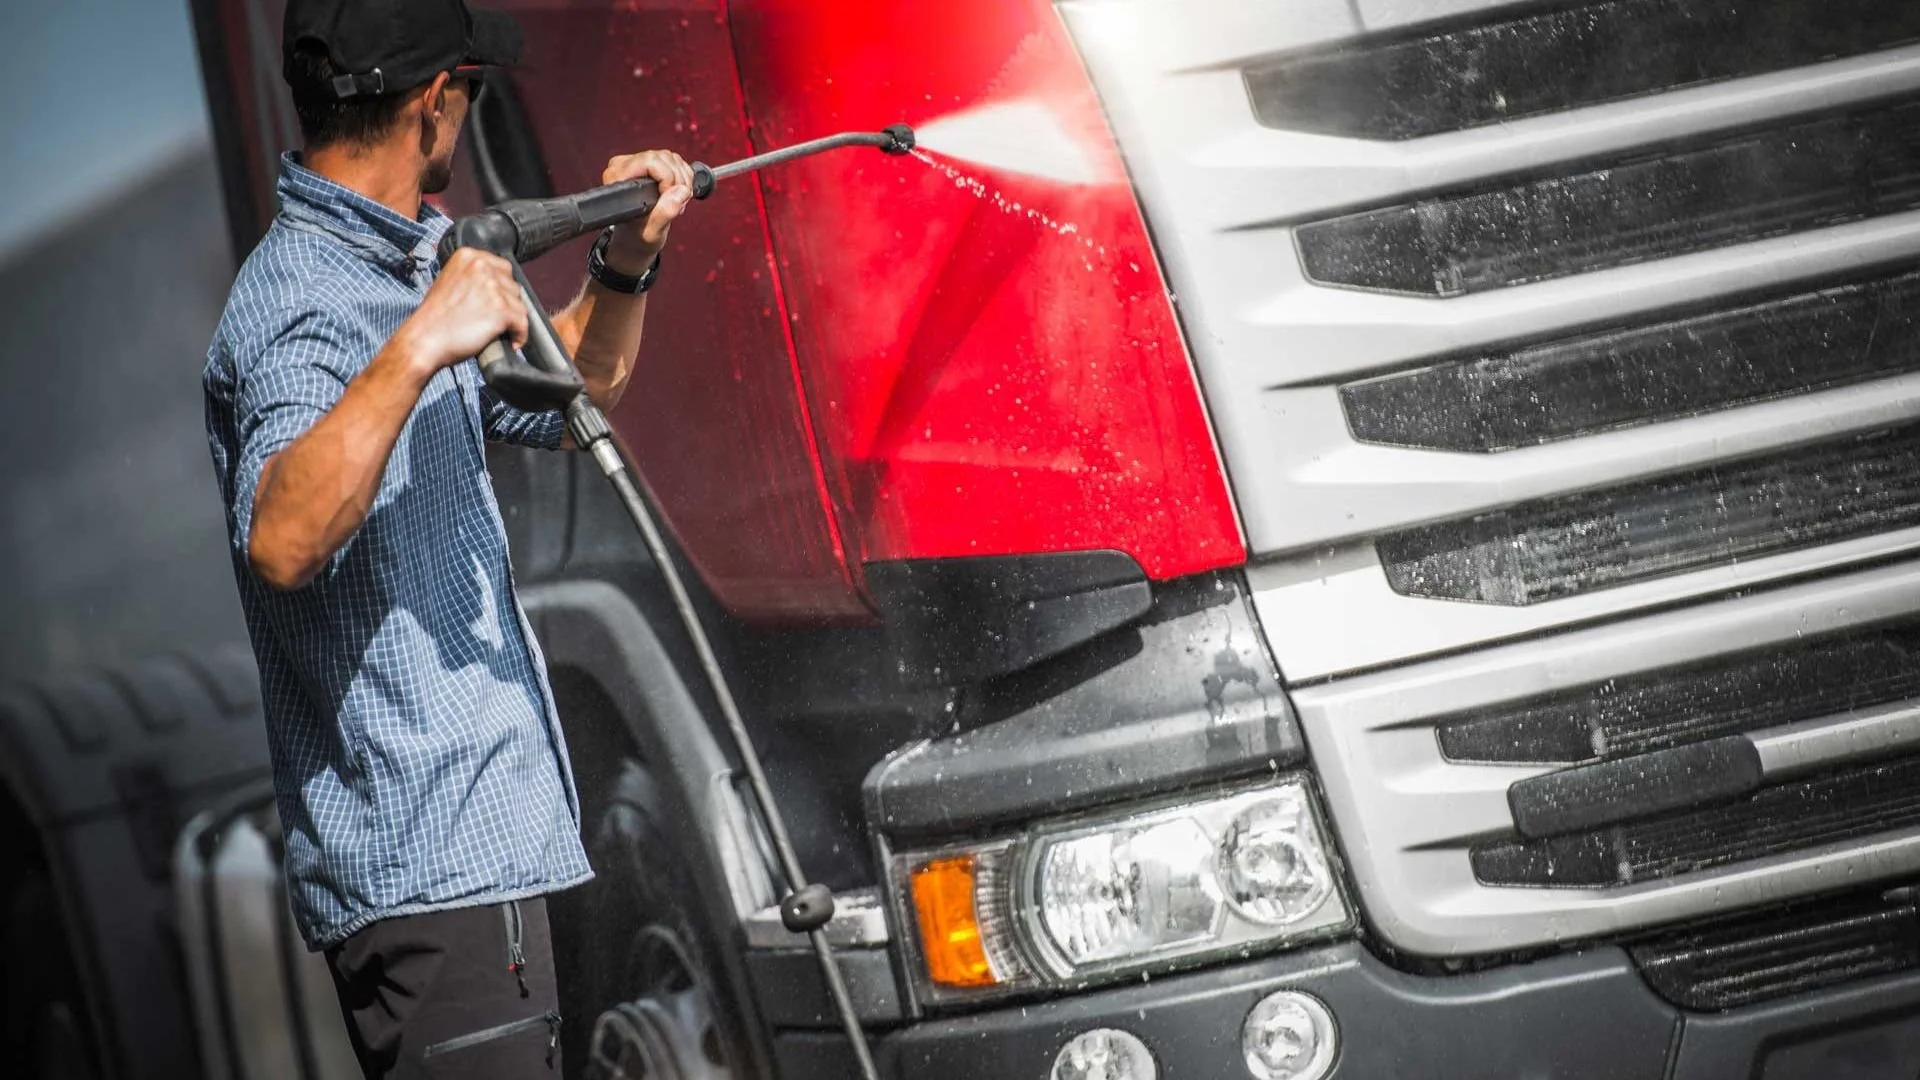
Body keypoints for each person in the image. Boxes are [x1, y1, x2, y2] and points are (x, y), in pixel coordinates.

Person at [201, 0, 694, 1074]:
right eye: (469, 90)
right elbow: (283, 536)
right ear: (436, 100)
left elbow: (575, 390)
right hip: (437, 889)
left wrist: (624, 259)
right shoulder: (304, 303)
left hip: (495, 870)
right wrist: (420, 343)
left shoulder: (412, 261)